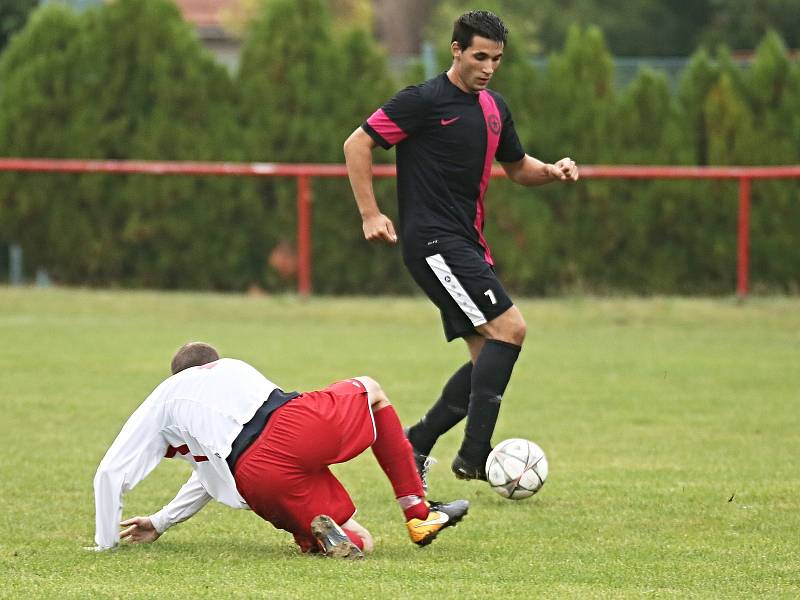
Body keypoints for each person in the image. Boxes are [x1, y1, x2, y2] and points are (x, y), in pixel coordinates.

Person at [343, 11, 579, 486]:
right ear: (456, 49)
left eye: (496, 59)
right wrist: (371, 213)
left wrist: (551, 170)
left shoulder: (494, 109)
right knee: (510, 330)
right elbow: (357, 144)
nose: (488, 67)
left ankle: (416, 445)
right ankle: (475, 455)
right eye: (479, 56)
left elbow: (517, 167)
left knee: (485, 359)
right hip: (433, 242)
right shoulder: (424, 101)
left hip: (466, 243)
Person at [90, 342, 469, 559]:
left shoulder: (166, 399)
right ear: (214, 362)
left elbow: (112, 473)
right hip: (293, 424)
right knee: (370, 389)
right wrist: (159, 521)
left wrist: (113, 541)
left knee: (362, 541)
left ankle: (329, 539)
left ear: (175, 376)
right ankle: (418, 514)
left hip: (255, 476)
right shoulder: (231, 367)